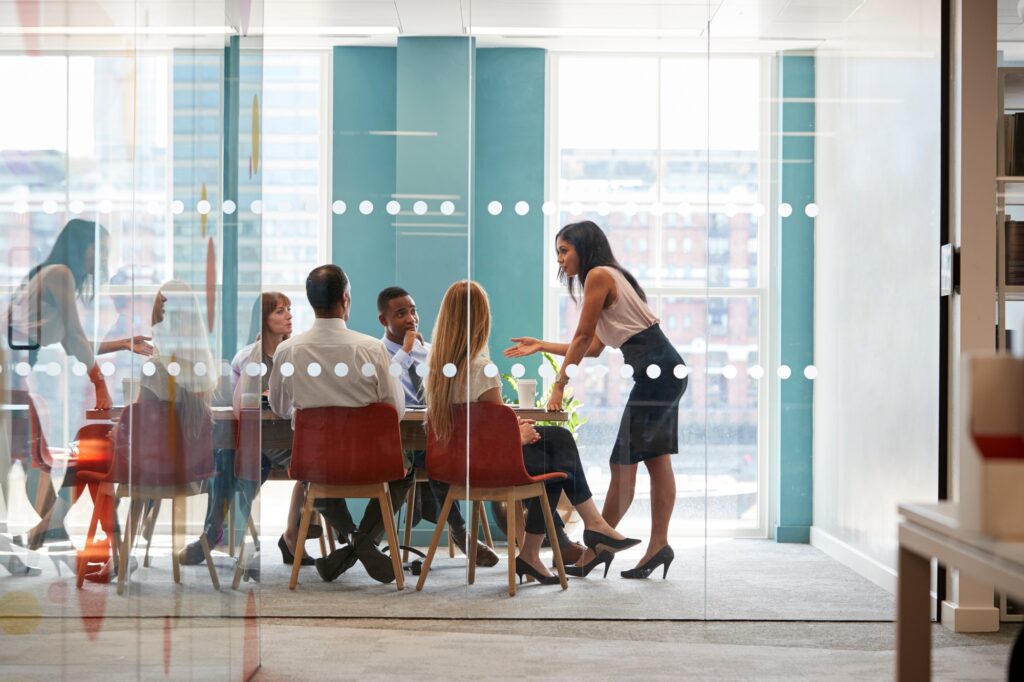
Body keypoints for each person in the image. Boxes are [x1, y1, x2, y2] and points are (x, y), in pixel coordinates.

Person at [505, 220, 687, 579]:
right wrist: (542, 345)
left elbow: (583, 334)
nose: (559, 260)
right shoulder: (610, 278)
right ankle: (655, 546)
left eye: (564, 250)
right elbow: (592, 347)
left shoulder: (598, 276)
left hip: (655, 372)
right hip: (663, 370)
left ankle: (597, 547)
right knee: (656, 460)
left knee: (623, 464)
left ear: (583, 248)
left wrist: (559, 386)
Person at [427, 280, 638, 584]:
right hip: (487, 466)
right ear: (483, 320)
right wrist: (516, 435)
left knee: (554, 455)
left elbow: (473, 428)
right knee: (558, 443)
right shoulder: (482, 369)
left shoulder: (437, 371)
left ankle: (542, 550)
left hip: (455, 465)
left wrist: (513, 431)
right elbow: (492, 434)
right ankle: (587, 527)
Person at [4, 219, 151, 550]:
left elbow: (73, 342)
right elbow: (73, 334)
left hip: (13, 371)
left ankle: (49, 525)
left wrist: (121, 343)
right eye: (99, 248)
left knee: (31, 455)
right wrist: (98, 381)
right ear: (81, 245)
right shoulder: (60, 273)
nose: (101, 257)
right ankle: (50, 525)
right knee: (31, 454)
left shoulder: (54, 275)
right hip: (9, 370)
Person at [269, 265, 411, 584]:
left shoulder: (287, 350)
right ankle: (363, 545)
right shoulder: (371, 349)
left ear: (310, 302)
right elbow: (395, 411)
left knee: (311, 473)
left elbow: (279, 407)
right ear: (346, 300)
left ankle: (351, 545)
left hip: (317, 464)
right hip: (371, 463)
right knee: (406, 470)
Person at [177, 292, 313, 575]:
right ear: (262, 319)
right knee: (229, 456)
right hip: (258, 442)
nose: (288, 315)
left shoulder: (298, 355)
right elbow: (238, 408)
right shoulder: (246, 358)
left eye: (289, 309)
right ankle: (220, 533)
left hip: (294, 441)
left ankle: (216, 534)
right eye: (279, 311)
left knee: (236, 458)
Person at [377, 286, 498, 568]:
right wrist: (405, 352)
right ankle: (461, 532)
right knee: (434, 453)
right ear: (384, 320)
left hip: (437, 434)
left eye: (413, 310)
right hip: (399, 441)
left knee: (439, 450)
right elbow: (382, 386)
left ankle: (460, 532)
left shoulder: (434, 355)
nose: (411, 319)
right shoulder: (378, 354)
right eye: (401, 314)